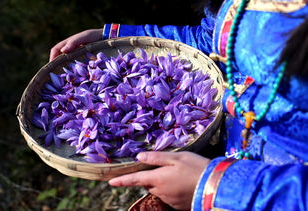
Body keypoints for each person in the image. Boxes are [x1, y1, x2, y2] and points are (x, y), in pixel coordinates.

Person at [49, 0, 308, 210]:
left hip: (268, 191)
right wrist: (120, 37)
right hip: (227, 154)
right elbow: (215, 41)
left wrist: (217, 186)